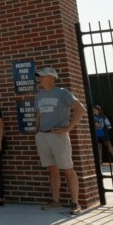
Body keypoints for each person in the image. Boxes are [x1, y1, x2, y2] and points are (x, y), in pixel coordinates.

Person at [34, 67, 86, 215]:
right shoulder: (39, 95)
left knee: (68, 169)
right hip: (43, 136)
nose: (39, 79)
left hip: (58, 136)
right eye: (39, 77)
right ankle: (56, 201)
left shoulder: (62, 92)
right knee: (52, 169)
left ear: (51, 77)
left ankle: (76, 204)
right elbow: (39, 114)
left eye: (42, 76)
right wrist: (36, 131)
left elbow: (80, 109)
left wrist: (68, 128)